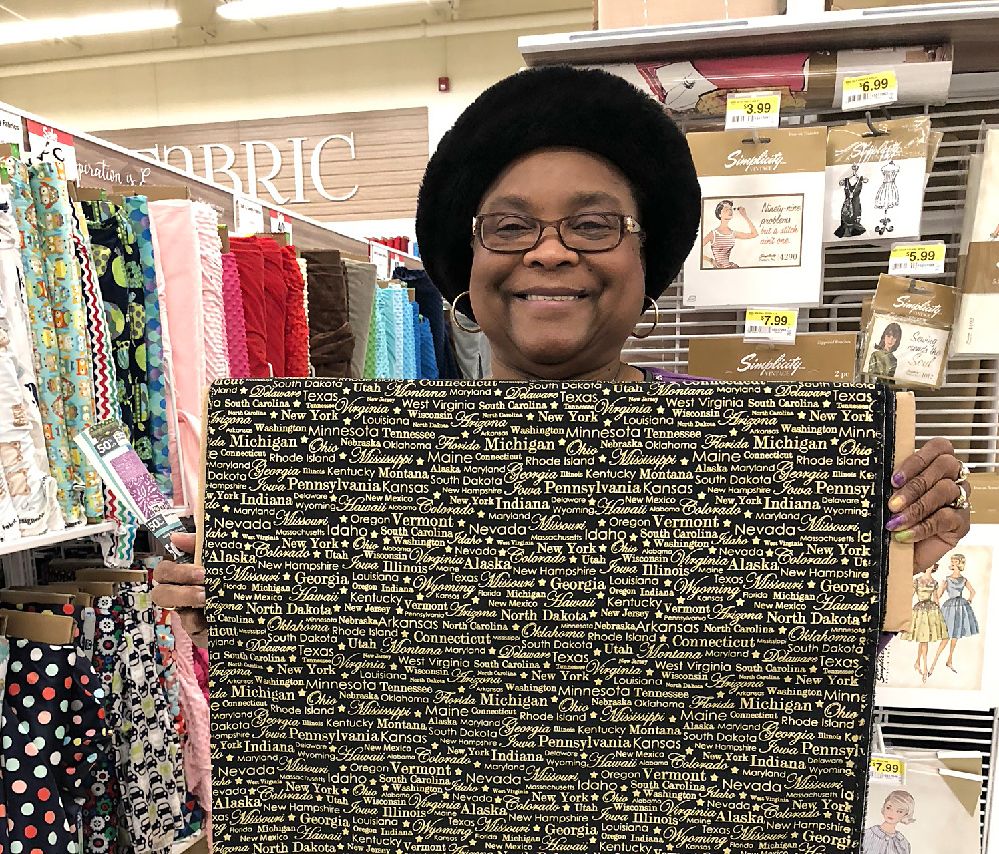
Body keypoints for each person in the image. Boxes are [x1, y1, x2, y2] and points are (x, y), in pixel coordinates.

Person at [153, 66, 973, 648]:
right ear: (467, 267)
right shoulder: (367, 468)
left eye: (592, 225)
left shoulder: (745, 454)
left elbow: (788, 677)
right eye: (510, 227)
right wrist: (239, 614)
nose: (548, 252)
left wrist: (892, 563)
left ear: (645, 264)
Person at [702, 200, 758, 268]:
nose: (730, 211)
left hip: (730, 268)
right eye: (726, 209)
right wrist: (711, 260)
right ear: (719, 214)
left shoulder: (733, 233)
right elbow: (697, 250)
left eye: (730, 209)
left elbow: (754, 234)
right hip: (719, 270)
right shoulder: (713, 234)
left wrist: (745, 216)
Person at [862, 790, 915, 854]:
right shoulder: (867, 835)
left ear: (906, 814)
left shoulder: (903, 843)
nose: (891, 813)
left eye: (899, 811)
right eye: (888, 808)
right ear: (884, 807)